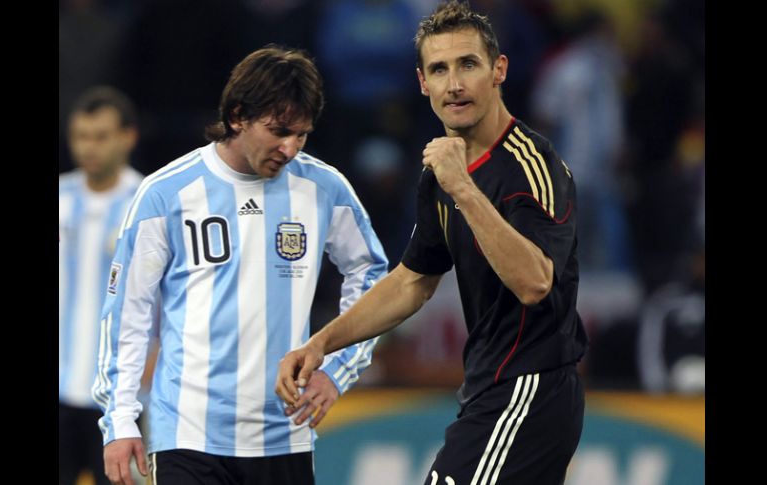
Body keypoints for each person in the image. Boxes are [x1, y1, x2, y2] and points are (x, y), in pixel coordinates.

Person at [276, 2, 588, 484]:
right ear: (422, 83)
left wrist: (462, 187)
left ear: (498, 70)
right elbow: (412, 281)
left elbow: (534, 282)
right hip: (489, 389)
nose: (454, 84)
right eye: (439, 69)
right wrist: (323, 343)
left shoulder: (530, 166)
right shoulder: (441, 171)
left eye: (468, 64)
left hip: (530, 389)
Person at [92, 45, 387, 485]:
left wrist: (338, 369)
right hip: (187, 436)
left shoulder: (323, 187)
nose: (289, 148)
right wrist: (119, 420)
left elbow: (371, 277)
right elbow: (127, 314)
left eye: (302, 134)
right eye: (279, 130)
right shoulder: (166, 193)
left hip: (285, 434)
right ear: (237, 116)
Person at [59, 86, 144, 485]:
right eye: (80, 136)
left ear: (128, 136)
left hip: (119, 400)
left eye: (100, 136)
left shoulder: (147, 204)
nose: (88, 147)